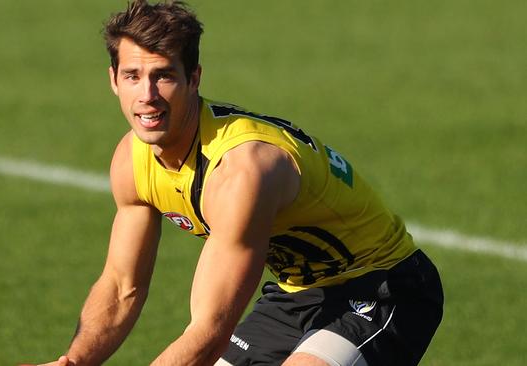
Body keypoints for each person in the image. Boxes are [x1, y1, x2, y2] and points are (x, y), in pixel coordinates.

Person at [36, 1, 443, 365]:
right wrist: (73, 361)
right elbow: (122, 286)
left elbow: (208, 331)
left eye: (164, 76)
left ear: (194, 78)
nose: (147, 95)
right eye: (132, 76)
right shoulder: (132, 159)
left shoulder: (242, 169)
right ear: (113, 80)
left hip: (382, 288)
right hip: (295, 294)